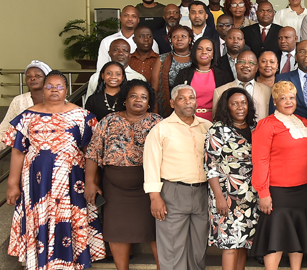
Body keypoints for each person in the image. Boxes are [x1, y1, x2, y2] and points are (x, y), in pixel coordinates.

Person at [3, 71, 105, 269]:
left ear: (67, 90)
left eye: (59, 86)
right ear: (43, 89)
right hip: (36, 186)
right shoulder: (27, 117)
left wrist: (92, 182)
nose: (54, 90)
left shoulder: (82, 116)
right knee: (41, 219)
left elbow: (91, 153)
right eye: (49, 86)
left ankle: (71, 263)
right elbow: (17, 152)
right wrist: (12, 184)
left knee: (69, 220)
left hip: (72, 184)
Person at [85, 79, 162, 270]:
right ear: (125, 100)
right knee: (117, 230)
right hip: (115, 188)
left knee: (156, 231)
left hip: (149, 188)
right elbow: (93, 153)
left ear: (149, 102)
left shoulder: (158, 123)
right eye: (133, 96)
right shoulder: (108, 121)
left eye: (144, 97)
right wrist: (89, 182)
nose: (138, 100)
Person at [251, 81, 307, 270]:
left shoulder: (304, 122)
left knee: (296, 235)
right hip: (278, 191)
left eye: (291, 97)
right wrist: (263, 193)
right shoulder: (266, 125)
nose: (288, 101)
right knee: (276, 237)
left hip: (302, 190)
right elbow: (260, 160)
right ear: (275, 101)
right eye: (283, 98)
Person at [144, 84, 213, 270]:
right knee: (172, 248)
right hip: (172, 192)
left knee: (198, 247)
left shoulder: (208, 127)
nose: (188, 102)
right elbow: (151, 164)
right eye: (182, 98)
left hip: (202, 192)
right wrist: (154, 197)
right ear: (172, 103)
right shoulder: (161, 129)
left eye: (191, 98)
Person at [204, 87, 259, 270]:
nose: (240, 107)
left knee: (243, 243)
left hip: (250, 197)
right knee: (229, 244)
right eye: (234, 103)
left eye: (243, 103)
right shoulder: (218, 130)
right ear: (226, 107)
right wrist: (219, 197)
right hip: (226, 196)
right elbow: (210, 167)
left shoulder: (255, 128)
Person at [0, 61, 50, 174]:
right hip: (26, 161)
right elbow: (4, 130)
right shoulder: (19, 101)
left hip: (53, 160)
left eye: (37, 75)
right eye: (29, 76)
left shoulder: (58, 101)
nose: (32, 78)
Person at [173, 38, 235, 121]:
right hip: (187, 119)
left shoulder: (223, 75)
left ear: (213, 54)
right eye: (200, 49)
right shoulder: (184, 74)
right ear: (194, 52)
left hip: (215, 120)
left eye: (208, 49)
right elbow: (175, 99)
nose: (204, 52)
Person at [96, 5, 160, 72]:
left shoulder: (149, 42)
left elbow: (156, 67)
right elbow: (101, 69)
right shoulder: (107, 41)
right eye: (126, 15)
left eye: (133, 16)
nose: (130, 19)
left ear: (138, 20)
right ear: (120, 18)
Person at [214, 50, 272, 120]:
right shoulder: (220, 91)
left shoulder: (268, 91)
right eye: (241, 62)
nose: (246, 65)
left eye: (251, 63)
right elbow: (216, 120)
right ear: (236, 66)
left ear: (256, 68)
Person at [151, 25, 193, 116]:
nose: (179, 39)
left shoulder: (197, 59)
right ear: (170, 40)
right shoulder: (162, 59)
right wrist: (155, 115)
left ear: (190, 39)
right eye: (175, 37)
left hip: (193, 108)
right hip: (167, 110)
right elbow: (154, 90)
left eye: (183, 36)